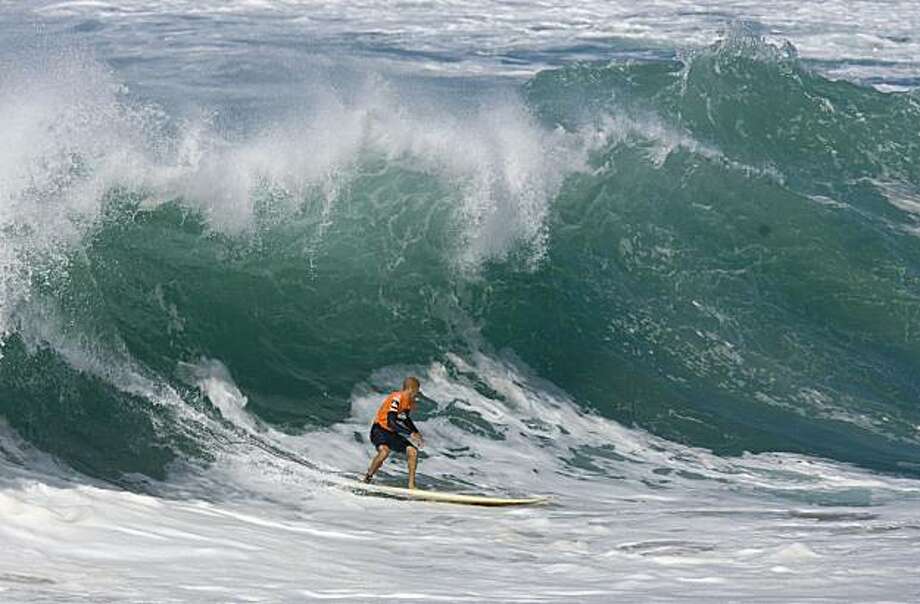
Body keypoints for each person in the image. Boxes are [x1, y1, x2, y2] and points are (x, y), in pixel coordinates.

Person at [364, 376, 425, 488]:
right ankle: (368, 477)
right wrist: (410, 434)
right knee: (384, 453)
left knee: (413, 451)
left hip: (391, 433)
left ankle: (411, 485)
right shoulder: (396, 398)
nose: (417, 394)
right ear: (411, 389)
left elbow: (405, 419)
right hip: (379, 430)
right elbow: (391, 422)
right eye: (417, 390)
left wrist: (416, 432)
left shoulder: (408, 402)